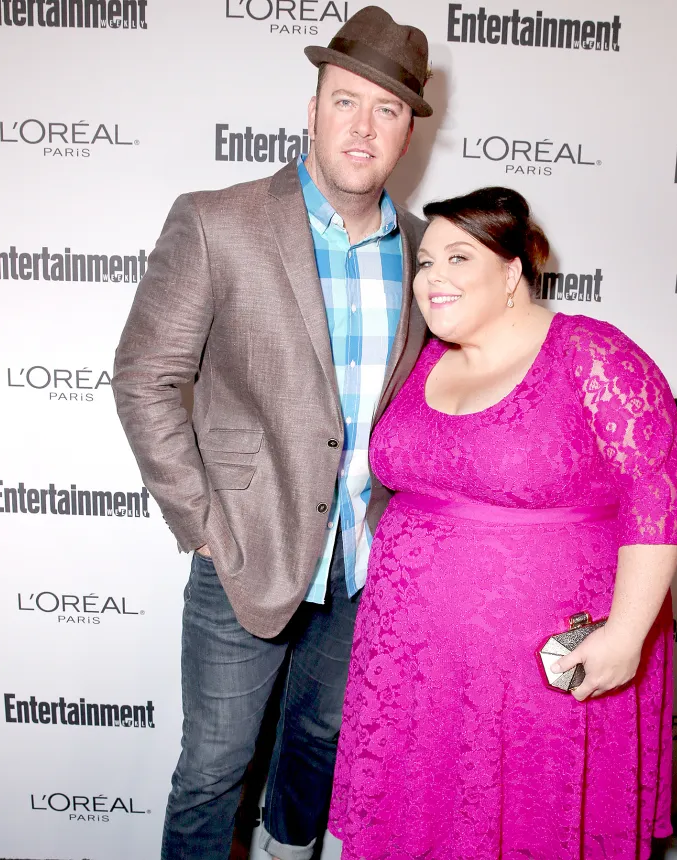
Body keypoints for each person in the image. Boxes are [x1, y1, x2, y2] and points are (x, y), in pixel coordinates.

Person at [111, 8, 433, 860]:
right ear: (312, 106)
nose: (363, 127)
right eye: (345, 101)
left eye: (388, 110)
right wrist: (204, 526)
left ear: (408, 131)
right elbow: (146, 376)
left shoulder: (433, 252)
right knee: (213, 770)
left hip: (366, 562)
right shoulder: (219, 221)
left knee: (317, 754)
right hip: (243, 553)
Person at [329, 187, 677, 860]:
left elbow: (657, 493)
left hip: (537, 665)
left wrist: (626, 634)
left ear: (513, 270)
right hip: (413, 660)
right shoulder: (426, 360)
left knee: (531, 824)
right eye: (426, 262)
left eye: (458, 259)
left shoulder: (591, 353)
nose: (433, 279)